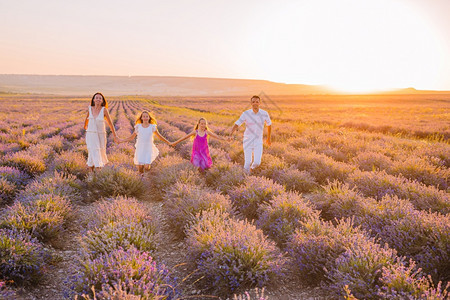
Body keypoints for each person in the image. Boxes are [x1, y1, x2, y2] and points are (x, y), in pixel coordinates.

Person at [119, 110, 171, 176]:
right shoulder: (138, 126)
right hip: (140, 148)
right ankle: (142, 179)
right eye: (144, 116)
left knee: (146, 166)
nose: (145, 118)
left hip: (148, 148)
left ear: (149, 118)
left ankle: (147, 176)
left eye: (147, 116)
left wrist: (169, 142)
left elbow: (160, 137)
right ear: (141, 118)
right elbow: (131, 137)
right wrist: (121, 140)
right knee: (140, 168)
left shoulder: (152, 127)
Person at [229, 95, 272, 173]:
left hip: (258, 140)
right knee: (248, 161)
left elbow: (269, 124)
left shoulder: (264, 113)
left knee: (257, 162)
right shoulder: (246, 113)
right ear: (251, 103)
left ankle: (252, 168)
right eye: (253, 102)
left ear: (260, 103)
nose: (255, 103)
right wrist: (231, 134)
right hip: (247, 140)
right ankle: (245, 177)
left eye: (257, 102)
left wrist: (268, 138)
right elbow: (237, 123)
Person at [84, 92, 118, 171]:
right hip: (91, 135)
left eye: (100, 98)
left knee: (100, 152)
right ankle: (93, 173)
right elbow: (87, 119)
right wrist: (85, 127)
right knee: (92, 151)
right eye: (97, 98)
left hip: (100, 135)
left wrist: (115, 135)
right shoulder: (90, 108)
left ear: (102, 101)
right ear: (93, 99)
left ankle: (98, 173)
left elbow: (110, 123)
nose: (98, 99)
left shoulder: (104, 110)